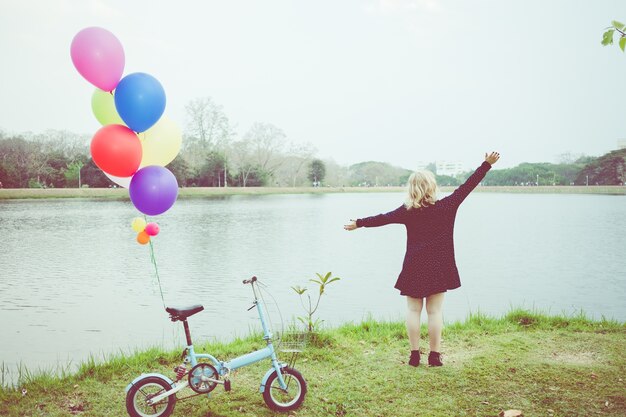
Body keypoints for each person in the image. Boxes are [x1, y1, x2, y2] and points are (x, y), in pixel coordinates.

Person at [344, 152, 500, 367]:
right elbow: (468, 186)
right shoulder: (448, 205)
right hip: (439, 266)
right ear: (432, 187)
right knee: (434, 312)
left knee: (413, 311)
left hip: (414, 265)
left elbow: (383, 218)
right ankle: (434, 356)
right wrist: (486, 165)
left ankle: (414, 355)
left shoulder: (407, 211)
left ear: (411, 189)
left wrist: (359, 223)